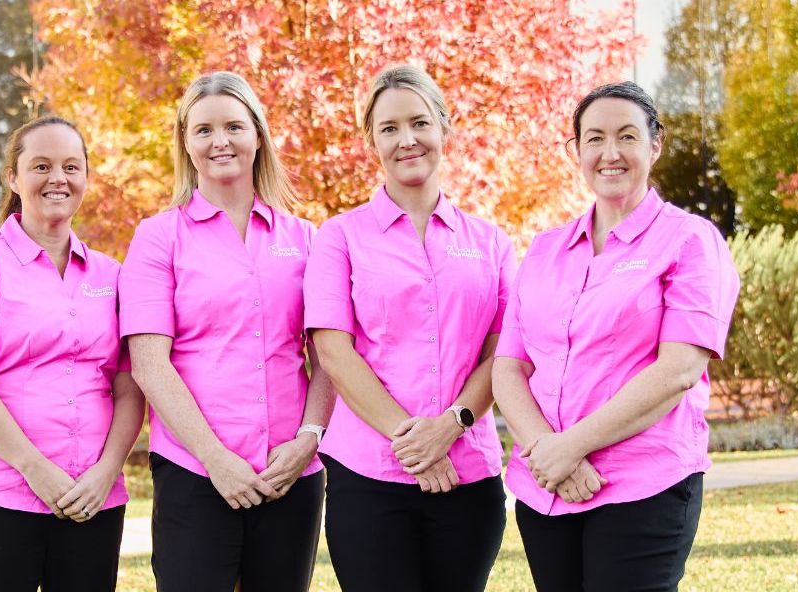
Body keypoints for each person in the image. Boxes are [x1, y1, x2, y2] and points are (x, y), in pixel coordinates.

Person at [491, 82, 741, 591]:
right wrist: (547, 451)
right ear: (576, 150)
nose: (610, 153)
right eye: (595, 138)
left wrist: (570, 447)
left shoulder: (690, 241)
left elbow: (678, 371)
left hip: (643, 487)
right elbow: (508, 367)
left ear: (656, 144)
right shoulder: (544, 250)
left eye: (627, 136)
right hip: (548, 490)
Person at [119, 72, 332, 592]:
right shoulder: (157, 238)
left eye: (234, 126)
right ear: (186, 145)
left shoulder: (306, 239)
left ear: (257, 135)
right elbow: (150, 363)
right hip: (195, 473)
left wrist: (309, 440)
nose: (221, 141)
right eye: (204, 130)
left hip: (291, 473)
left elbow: (328, 357)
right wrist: (216, 460)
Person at [303, 64, 511, 592]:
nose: (407, 140)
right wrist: (413, 443)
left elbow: (503, 353)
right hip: (369, 478)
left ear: (445, 127)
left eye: (419, 122)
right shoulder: (339, 237)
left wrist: (452, 426)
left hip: (468, 474)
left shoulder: (490, 242)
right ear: (370, 141)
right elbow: (334, 352)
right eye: (389, 128)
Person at [0, 116, 144, 591]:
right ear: (13, 176)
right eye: (42, 165)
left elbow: (129, 386)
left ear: (86, 177)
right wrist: (35, 469)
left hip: (93, 499)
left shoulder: (111, 275)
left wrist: (107, 471)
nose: (59, 178)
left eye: (72, 166)